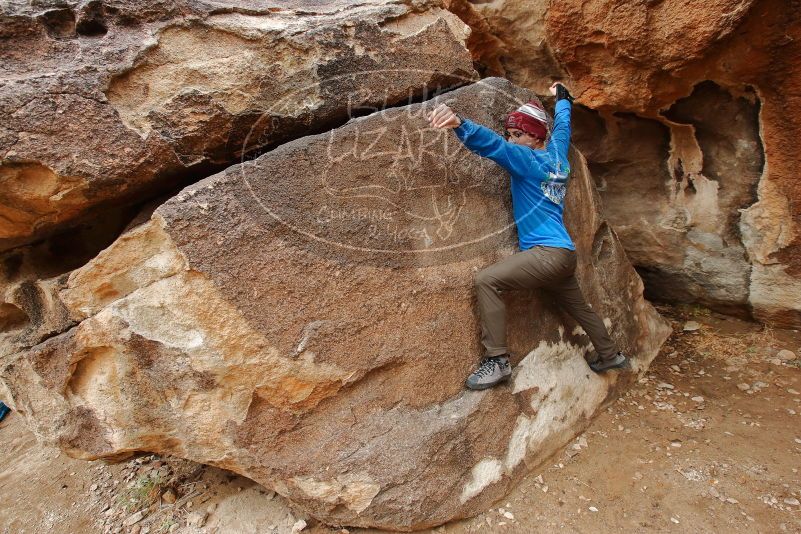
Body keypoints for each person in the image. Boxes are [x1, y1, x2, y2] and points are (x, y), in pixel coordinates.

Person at [426, 82, 628, 390]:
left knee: (486, 280)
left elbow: (494, 146)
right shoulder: (558, 156)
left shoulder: (527, 160)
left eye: (517, 134)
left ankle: (497, 361)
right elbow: (562, 127)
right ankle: (610, 355)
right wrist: (562, 97)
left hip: (545, 254)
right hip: (563, 256)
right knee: (580, 309)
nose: (511, 139)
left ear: (535, 136)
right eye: (510, 133)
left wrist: (460, 124)